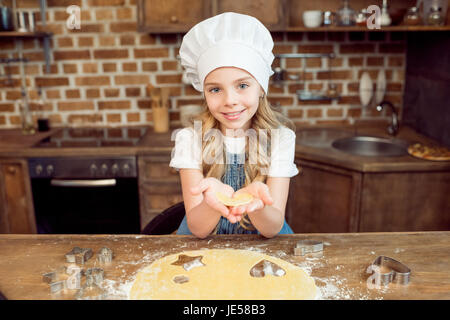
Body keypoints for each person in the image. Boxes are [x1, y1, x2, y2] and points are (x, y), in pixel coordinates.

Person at [169, 12, 299, 239]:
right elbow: (198, 229)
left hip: (262, 247)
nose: (229, 100)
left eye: (242, 85)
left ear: (261, 87)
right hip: (204, 248)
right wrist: (212, 203)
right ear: (204, 92)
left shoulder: (281, 139)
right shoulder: (190, 139)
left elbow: (272, 228)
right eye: (215, 89)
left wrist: (257, 206)